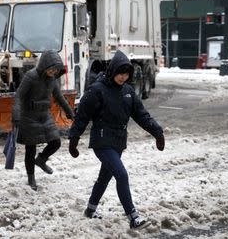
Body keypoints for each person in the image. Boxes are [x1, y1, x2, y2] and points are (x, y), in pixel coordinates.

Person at [68, 50, 165, 229]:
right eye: (120, 73)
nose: (123, 77)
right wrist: (73, 139)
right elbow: (82, 116)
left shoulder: (128, 91)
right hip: (102, 141)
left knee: (104, 177)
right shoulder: (97, 90)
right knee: (121, 174)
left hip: (119, 142)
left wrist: (157, 132)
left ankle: (90, 209)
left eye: (126, 74)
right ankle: (133, 217)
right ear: (112, 71)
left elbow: (142, 116)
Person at [12, 50, 74, 191]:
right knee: (30, 148)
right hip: (29, 116)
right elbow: (19, 96)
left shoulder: (52, 79)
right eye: (51, 69)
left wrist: (70, 113)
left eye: (55, 70)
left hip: (44, 115)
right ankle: (31, 177)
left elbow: (59, 97)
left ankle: (41, 160)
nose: (53, 72)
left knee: (56, 142)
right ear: (45, 65)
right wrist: (16, 115)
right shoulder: (31, 76)